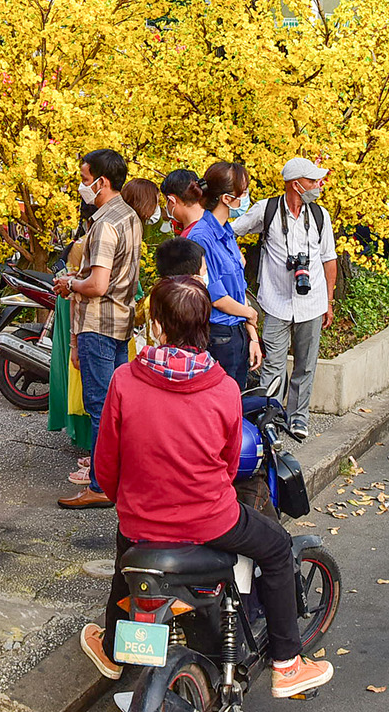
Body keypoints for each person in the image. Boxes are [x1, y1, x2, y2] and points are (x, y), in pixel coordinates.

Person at [80, 277, 335, 698]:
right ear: (203, 325)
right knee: (274, 547)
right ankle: (287, 665)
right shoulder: (223, 388)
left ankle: (111, 650)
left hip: (141, 517)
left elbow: (106, 465)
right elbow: (232, 459)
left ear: (158, 325)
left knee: (127, 555)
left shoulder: (125, 380)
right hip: (210, 520)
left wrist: (126, 499)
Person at [57, 148, 145, 510]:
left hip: (98, 322)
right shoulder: (130, 216)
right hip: (121, 320)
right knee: (114, 406)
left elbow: (97, 284)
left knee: (100, 407)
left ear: (101, 181)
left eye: (84, 179)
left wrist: (70, 284)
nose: (82, 187)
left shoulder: (105, 222)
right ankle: (116, 478)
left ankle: (99, 484)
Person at [234, 158, 338, 441]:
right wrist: (233, 257)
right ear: (296, 184)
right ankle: (271, 416)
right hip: (276, 300)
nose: (317, 186)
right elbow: (231, 231)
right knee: (273, 365)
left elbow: (329, 259)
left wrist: (329, 300)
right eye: (312, 181)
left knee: (305, 364)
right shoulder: (266, 210)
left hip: (312, 302)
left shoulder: (319, 216)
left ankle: (298, 418)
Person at [166, 166, 263, 390]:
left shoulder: (226, 231)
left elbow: (238, 287)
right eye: (243, 192)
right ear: (227, 198)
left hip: (238, 332)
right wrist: (249, 313)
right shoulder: (201, 236)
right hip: (218, 337)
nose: (246, 198)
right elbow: (215, 295)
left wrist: (252, 336)